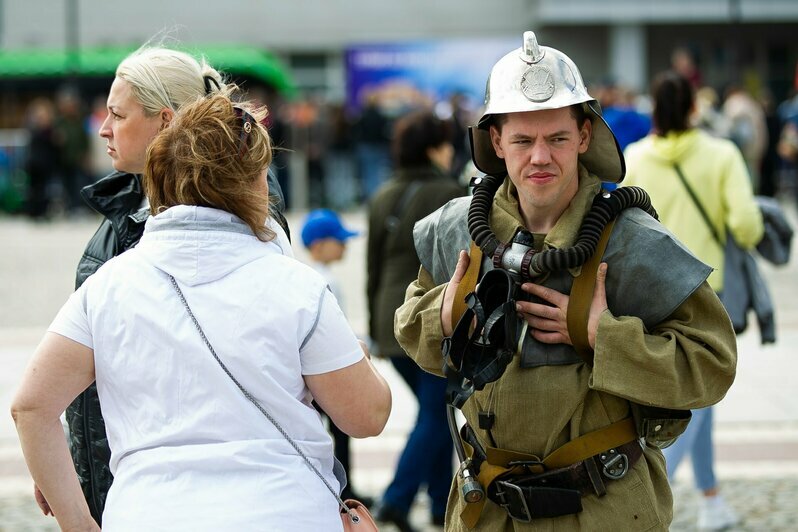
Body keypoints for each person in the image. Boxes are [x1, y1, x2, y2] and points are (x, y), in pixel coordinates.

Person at [394, 31, 737, 530]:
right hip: (487, 511)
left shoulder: (631, 241)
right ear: (495, 141)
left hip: (601, 509)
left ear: (582, 136)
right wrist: (443, 318)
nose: (540, 157)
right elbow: (410, 327)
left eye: (557, 138)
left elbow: (713, 364)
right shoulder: (457, 232)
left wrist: (604, 336)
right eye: (522, 140)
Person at [11, 90, 392, 531]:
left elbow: (31, 407)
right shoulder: (297, 287)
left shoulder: (107, 287)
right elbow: (366, 417)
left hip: (147, 513)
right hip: (283, 511)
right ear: (252, 183)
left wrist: (79, 523)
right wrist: (360, 362)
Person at [46, 45, 292, 525]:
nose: (102, 129)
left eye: (117, 114)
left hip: (190, 487)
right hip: (124, 472)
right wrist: (65, 460)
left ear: (163, 121)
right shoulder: (126, 205)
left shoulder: (239, 210)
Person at [624, 71, 764, 531]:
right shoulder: (721, 154)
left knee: (702, 402)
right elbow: (746, 225)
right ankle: (649, 493)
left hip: (645, 294)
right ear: (692, 109)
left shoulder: (635, 156)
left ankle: (711, 500)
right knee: (698, 398)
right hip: (706, 290)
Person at [367, 110, 465, 531]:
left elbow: (372, 267)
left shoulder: (383, 193)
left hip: (391, 323)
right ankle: (397, 498)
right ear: (433, 149)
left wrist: (374, 327)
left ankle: (443, 503)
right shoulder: (449, 191)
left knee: (438, 412)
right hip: (430, 319)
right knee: (435, 414)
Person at [300, 207, 370, 503]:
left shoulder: (307, 276)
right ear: (319, 246)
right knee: (340, 431)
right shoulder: (324, 280)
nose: (344, 245)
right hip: (325, 370)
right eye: (338, 240)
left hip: (310, 371)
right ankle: (343, 488)